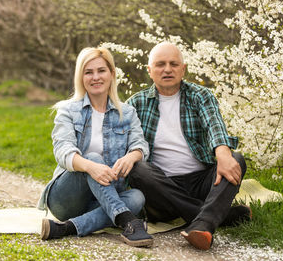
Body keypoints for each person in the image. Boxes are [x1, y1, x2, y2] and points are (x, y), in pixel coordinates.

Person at [127, 42, 250, 250]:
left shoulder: (200, 96)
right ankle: (216, 215)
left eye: (174, 64)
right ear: (150, 70)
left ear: (183, 69)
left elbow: (215, 125)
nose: (167, 69)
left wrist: (223, 151)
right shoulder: (135, 104)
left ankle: (203, 225)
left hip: (201, 182)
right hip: (161, 188)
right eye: (160, 64)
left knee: (235, 159)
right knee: (137, 168)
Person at [37, 47, 153, 247]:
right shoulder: (68, 110)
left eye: (101, 71)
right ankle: (127, 220)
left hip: (103, 199)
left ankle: (66, 228)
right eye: (88, 72)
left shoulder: (127, 112)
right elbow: (62, 151)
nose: (95, 77)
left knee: (137, 197)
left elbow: (140, 144)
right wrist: (91, 166)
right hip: (66, 198)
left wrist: (132, 156)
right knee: (93, 157)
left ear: (112, 74)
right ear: (80, 77)